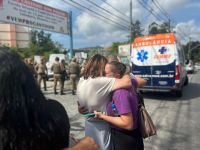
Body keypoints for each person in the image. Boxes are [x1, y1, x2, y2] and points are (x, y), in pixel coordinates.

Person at [0, 48, 99, 150]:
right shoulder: (53, 112)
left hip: (50, 75)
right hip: (59, 75)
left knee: (56, 84)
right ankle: (63, 91)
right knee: (62, 84)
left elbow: (49, 68)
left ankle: (58, 91)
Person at [77, 54, 132, 150]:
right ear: (102, 67)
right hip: (102, 126)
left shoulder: (82, 80)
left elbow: (81, 103)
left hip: (89, 124)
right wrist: (124, 69)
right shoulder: (101, 81)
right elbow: (127, 82)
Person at [95, 61, 145, 150]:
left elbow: (127, 124)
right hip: (132, 137)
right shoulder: (129, 83)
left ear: (117, 76)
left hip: (125, 140)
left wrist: (102, 116)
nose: (102, 76)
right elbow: (141, 81)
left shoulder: (120, 93)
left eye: (106, 73)